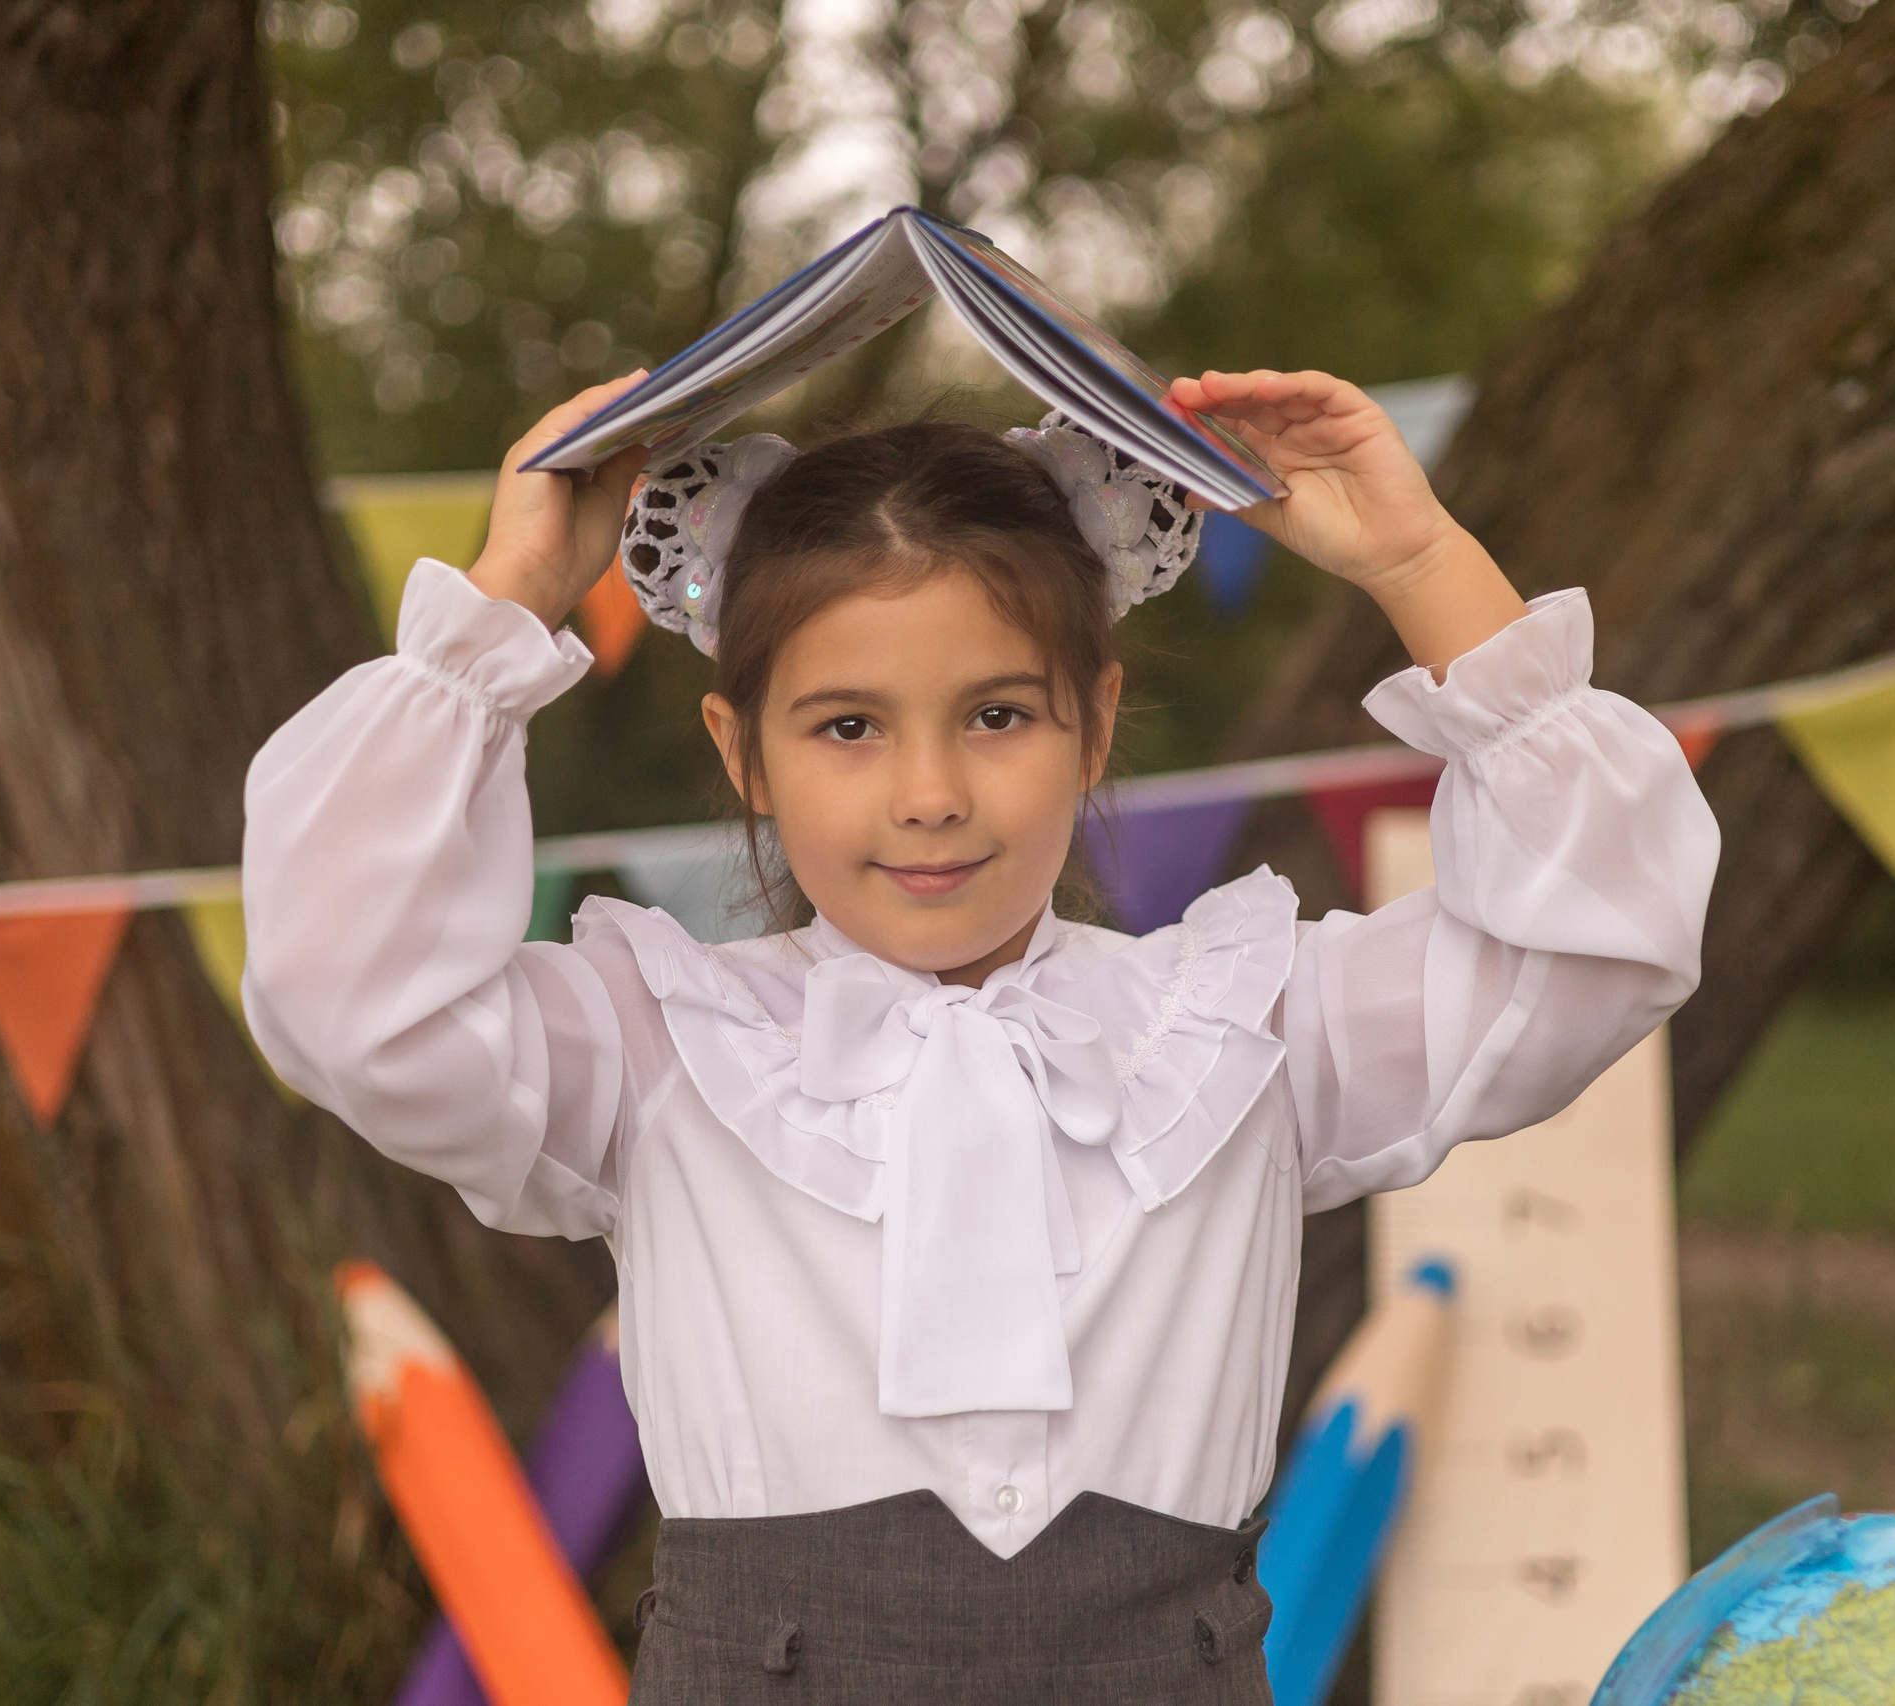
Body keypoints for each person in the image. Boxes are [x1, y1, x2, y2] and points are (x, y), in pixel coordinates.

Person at [240, 368, 1720, 1703]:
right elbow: (345, 986)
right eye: (847, 727)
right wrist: (500, 612)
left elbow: (1598, 943)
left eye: (999, 713)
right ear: (739, 751)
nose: (931, 791)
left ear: (1095, 718)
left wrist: (1423, 567)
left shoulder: (1241, 1024)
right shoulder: (659, 1044)